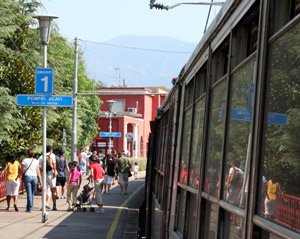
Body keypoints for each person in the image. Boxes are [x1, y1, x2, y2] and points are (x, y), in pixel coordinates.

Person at [39, 145, 58, 210]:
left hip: (44, 174)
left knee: (44, 190)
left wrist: (41, 174)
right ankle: (54, 205)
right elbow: (54, 164)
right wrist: (55, 171)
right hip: (51, 174)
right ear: (51, 150)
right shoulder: (52, 155)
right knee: (53, 190)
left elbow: (39, 167)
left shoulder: (41, 156)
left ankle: (43, 205)